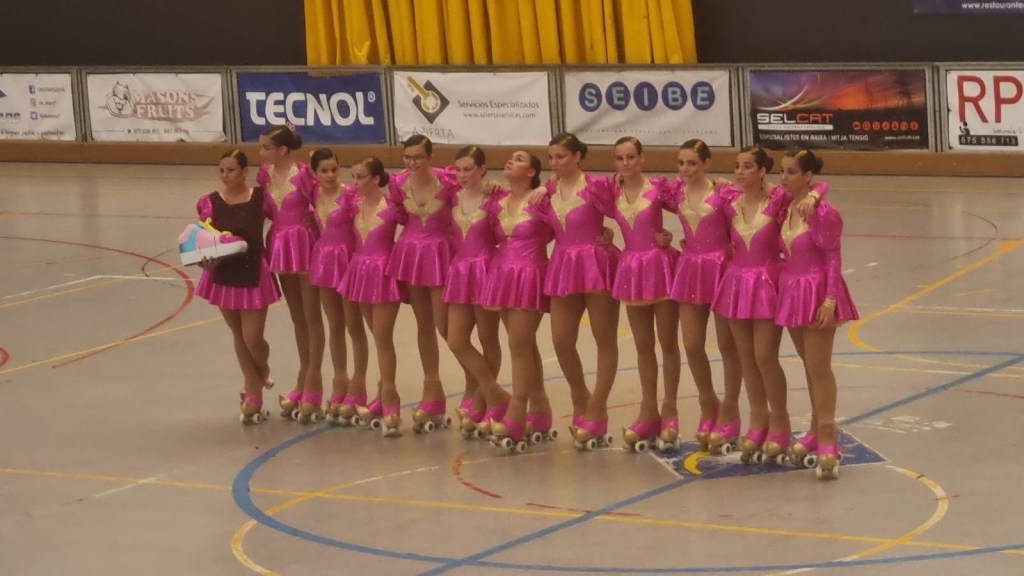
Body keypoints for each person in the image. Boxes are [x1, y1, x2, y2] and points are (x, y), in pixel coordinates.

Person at [776, 148, 858, 480]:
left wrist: (829, 301)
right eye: (782, 171)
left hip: (818, 290)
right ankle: (813, 430)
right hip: (793, 290)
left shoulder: (823, 212)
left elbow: (833, 257)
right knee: (809, 365)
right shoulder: (786, 206)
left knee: (820, 367)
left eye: (792, 172)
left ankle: (827, 435)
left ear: (808, 176)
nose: (784, 178)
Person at [597, 137, 681, 452]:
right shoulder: (612, 192)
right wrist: (606, 234)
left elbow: (689, 208)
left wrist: (673, 237)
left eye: (631, 157)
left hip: (660, 266)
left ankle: (670, 410)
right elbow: (588, 209)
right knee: (643, 346)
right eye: (620, 158)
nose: (626, 163)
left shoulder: (658, 188)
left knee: (668, 343)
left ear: (642, 158)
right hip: (632, 269)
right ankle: (648, 412)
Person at [710, 146, 792, 464]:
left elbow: (816, 189)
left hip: (767, 282)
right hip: (737, 281)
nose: (739, 172)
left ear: (761, 171)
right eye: (737, 166)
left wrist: (815, 194)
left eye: (747, 166)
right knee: (746, 357)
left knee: (765, 356)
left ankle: (780, 420)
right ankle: (759, 419)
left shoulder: (778, 199)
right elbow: (684, 194)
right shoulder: (729, 200)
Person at [541, 133, 621, 448]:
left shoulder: (596, 186)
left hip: (596, 262)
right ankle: (579, 394)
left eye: (560, 156)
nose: (554, 162)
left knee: (604, 339)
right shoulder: (548, 190)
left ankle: (598, 408)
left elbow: (623, 211)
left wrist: (610, 231)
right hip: (563, 264)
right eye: (551, 157)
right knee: (561, 339)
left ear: (577, 157)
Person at [194, 150, 280, 424]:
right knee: (238, 335)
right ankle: (253, 389)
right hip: (223, 273)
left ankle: (261, 372)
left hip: (253, 271)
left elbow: (283, 220)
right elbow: (202, 241)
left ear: (244, 171)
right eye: (222, 170)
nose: (225, 175)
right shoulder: (209, 203)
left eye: (231, 170)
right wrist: (204, 262)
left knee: (252, 337)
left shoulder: (261, 198)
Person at [668, 139, 742, 454]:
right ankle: (708, 403)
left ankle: (731, 410)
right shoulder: (674, 191)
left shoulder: (724, 193)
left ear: (706, 163)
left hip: (721, 267)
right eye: (681, 163)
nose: (685, 169)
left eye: (692, 163)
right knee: (692, 343)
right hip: (690, 268)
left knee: (728, 345)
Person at [387, 134, 460, 431]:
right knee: (424, 325)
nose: (412, 163)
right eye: (408, 157)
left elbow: (472, 202)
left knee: (448, 329)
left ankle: (480, 390)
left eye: (418, 157)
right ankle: (432, 390)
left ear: (430, 157)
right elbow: (398, 214)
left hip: (440, 253)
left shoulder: (449, 181)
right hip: (412, 254)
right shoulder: (397, 182)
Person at [484, 151, 556, 453]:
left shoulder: (541, 200)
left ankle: (517, 410)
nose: (511, 161)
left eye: (520, 158)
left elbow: (564, 224)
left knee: (518, 344)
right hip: (502, 274)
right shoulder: (497, 200)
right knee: (524, 344)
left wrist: (549, 187)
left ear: (532, 172)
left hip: (529, 275)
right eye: (510, 158)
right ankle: (540, 409)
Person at [256, 125, 325, 422]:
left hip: (304, 243)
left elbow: (324, 202)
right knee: (298, 318)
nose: (260, 152)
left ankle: (313, 384)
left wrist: (316, 222)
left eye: (266, 147)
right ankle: (302, 378)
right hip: (281, 244)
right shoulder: (264, 174)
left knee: (312, 316)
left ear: (283, 150)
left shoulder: (305, 173)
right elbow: (265, 210)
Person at [443, 145, 509, 437]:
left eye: (468, 169)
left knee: (487, 337)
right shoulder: (451, 195)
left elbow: (509, 233)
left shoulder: (495, 198)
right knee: (456, 340)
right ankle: (495, 394)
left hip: (485, 270)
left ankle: (483, 401)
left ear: (482, 169)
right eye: (458, 169)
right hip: (460, 271)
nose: (462, 175)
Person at [337, 157, 405, 436]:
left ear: (376, 179)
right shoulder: (352, 204)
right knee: (376, 336)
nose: (355, 182)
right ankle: (381, 395)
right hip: (360, 271)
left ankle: (391, 399)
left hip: (383, 272)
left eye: (361, 176)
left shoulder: (393, 207)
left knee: (383, 337)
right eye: (353, 176)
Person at [307, 148, 369, 425]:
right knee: (334, 325)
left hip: (347, 260)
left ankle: (359, 384)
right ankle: (339, 379)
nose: (330, 175)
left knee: (354, 326)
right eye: (324, 170)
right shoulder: (313, 193)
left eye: (334, 169)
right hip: (324, 261)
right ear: (314, 173)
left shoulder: (351, 195)